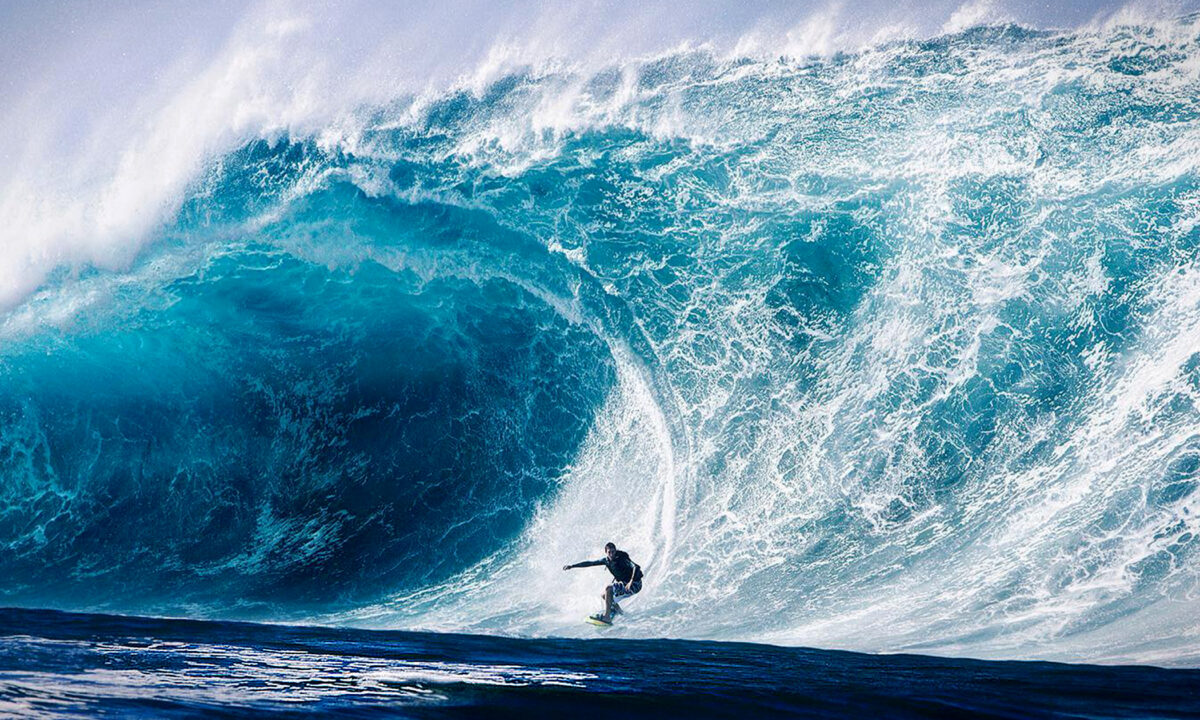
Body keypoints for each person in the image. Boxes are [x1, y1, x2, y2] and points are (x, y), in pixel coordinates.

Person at [563, 542, 643, 623]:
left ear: (615, 550)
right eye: (609, 552)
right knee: (605, 596)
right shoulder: (606, 561)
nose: (612, 554)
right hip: (625, 584)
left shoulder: (622, 558)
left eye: (613, 551)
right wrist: (572, 566)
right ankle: (619, 612)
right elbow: (590, 563)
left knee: (609, 588)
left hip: (635, 584)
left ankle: (606, 617)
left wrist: (631, 581)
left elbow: (635, 566)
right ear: (606, 552)